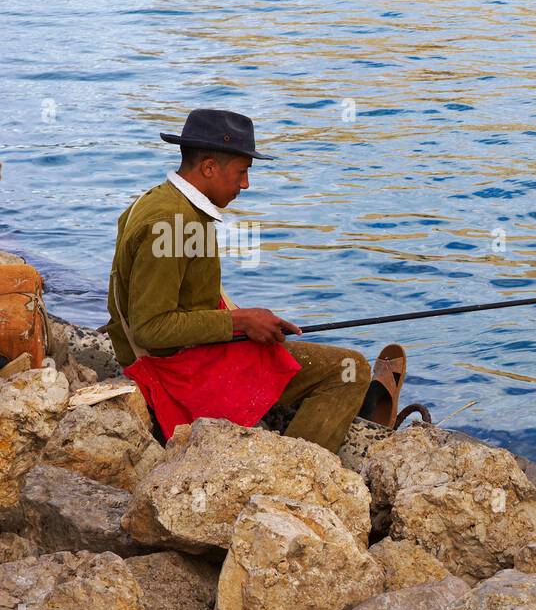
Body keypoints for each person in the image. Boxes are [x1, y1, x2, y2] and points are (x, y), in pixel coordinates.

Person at [105, 108, 378, 453]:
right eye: (242, 172)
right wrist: (240, 320)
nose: (245, 184)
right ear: (208, 167)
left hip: (181, 354)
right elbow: (150, 328)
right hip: (176, 370)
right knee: (349, 368)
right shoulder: (173, 221)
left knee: (285, 352)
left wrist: (244, 322)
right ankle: (296, 471)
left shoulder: (155, 201)